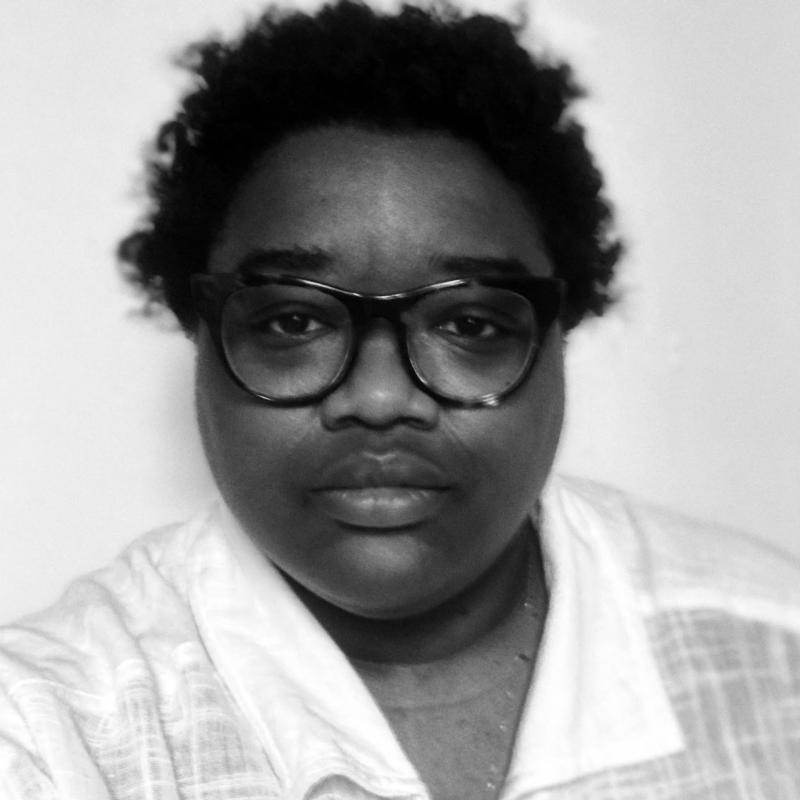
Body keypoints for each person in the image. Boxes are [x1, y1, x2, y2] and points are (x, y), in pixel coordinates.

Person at [1, 1, 798, 798]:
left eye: (469, 323)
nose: (380, 398)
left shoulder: (773, 651)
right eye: (293, 320)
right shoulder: (43, 737)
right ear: (197, 330)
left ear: (562, 330)